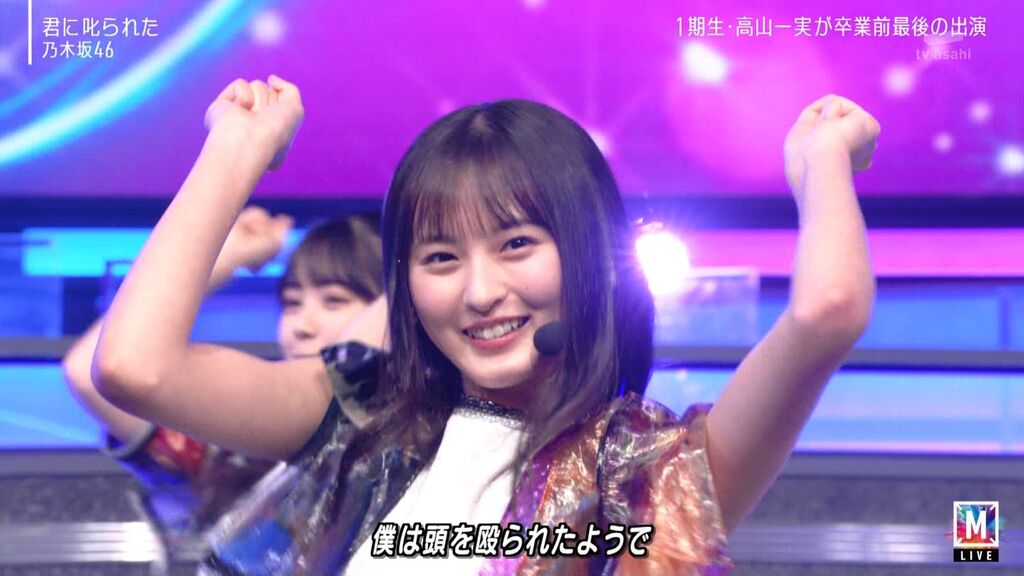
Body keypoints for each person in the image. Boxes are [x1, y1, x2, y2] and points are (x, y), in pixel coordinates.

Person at [92, 76, 878, 575]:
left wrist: (822, 162)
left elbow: (826, 311)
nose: (479, 292)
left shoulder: (646, 471)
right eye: (440, 258)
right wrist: (236, 151)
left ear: (593, 254)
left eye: (516, 245)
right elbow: (134, 367)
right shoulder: (362, 412)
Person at [63, 206, 385, 553]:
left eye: (334, 301)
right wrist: (227, 256)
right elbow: (92, 369)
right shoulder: (239, 449)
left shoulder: (419, 435)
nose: (301, 326)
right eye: (292, 303)